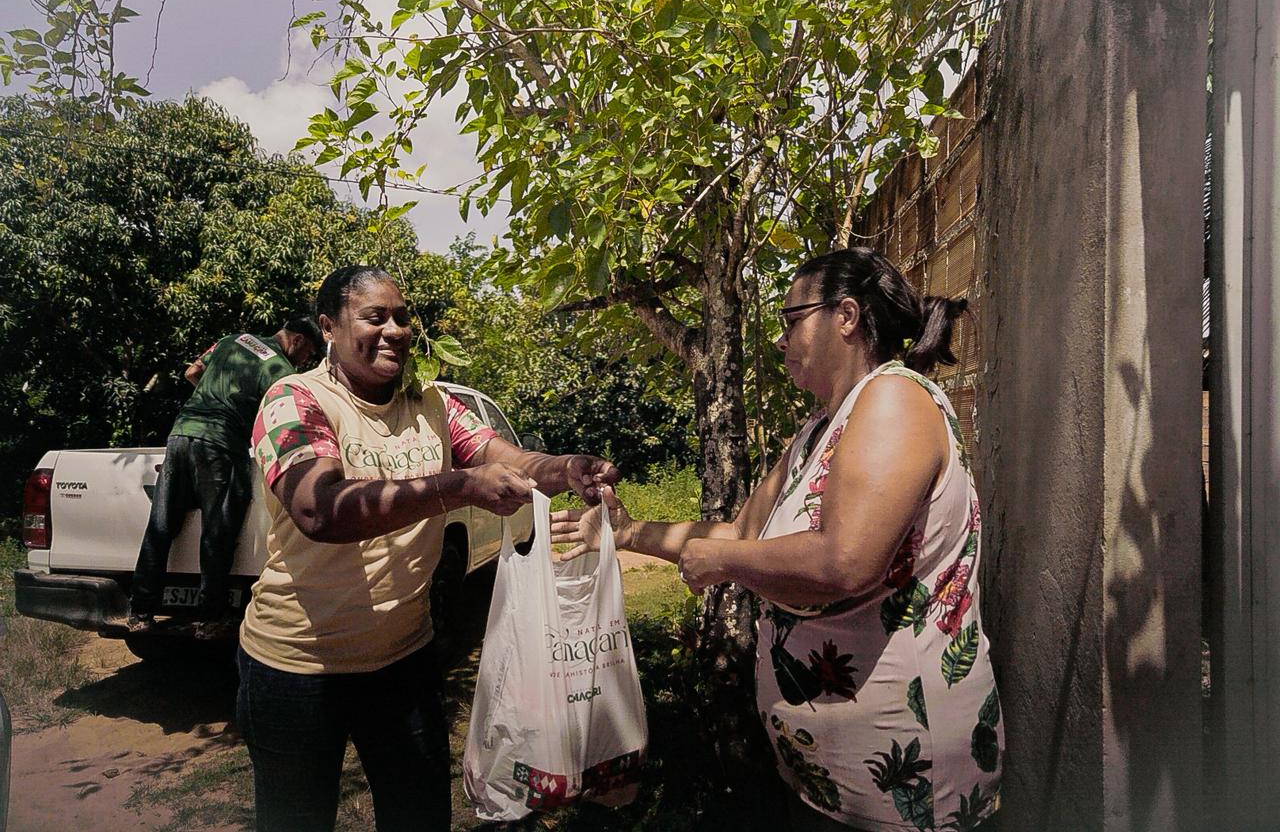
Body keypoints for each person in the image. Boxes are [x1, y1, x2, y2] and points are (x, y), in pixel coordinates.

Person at [552, 247, 1003, 831]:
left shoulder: (894, 398)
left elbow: (846, 560)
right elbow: (743, 533)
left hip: (908, 786)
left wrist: (726, 561)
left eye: (793, 321)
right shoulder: (820, 428)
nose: (780, 339)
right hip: (837, 782)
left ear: (845, 316)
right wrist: (625, 531)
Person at [236, 265, 618, 832]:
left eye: (401, 317)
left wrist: (566, 469)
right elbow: (319, 508)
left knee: (418, 816)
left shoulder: (431, 404)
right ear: (328, 328)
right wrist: (457, 488)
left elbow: (500, 456)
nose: (394, 330)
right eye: (374, 316)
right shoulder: (294, 400)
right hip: (296, 666)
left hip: (402, 659)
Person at [128, 316, 323, 638]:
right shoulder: (280, 371)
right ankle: (210, 618)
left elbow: (192, 372)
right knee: (217, 533)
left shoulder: (235, 338)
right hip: (220, 443)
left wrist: (215, 399)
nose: (306, 361)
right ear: (298, 340)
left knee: (161, 527)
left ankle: (140, 612)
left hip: (181, 435)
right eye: (309, 354)